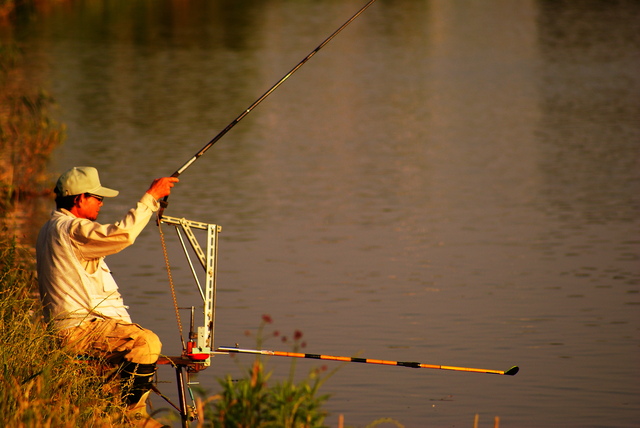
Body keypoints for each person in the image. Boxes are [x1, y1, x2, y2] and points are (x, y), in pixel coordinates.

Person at [36, 166, 178, 427]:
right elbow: (121, 235)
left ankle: (116, 415)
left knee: (135, 352)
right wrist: (150, 197)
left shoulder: (50, 228)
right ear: (80, 198)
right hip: (81, 330)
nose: (102, 204)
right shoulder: (71, 228)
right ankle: (131, 416)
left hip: (74, 328)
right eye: (98, 198)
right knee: (145, 342)